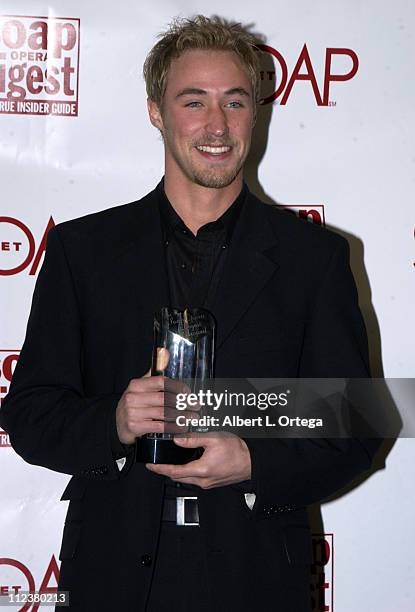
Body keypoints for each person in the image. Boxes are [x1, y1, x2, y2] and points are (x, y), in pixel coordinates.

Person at [0, 15, 380, 612]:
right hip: (113, 578)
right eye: (193, 101)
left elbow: (359, 420)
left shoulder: (316, 259)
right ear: (156, 111)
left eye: (234, 101)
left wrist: (255, 460)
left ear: (256, 113)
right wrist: (115, 423)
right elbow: (28, 414)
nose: (217, 125)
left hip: (255, 578)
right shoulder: (84, 252)